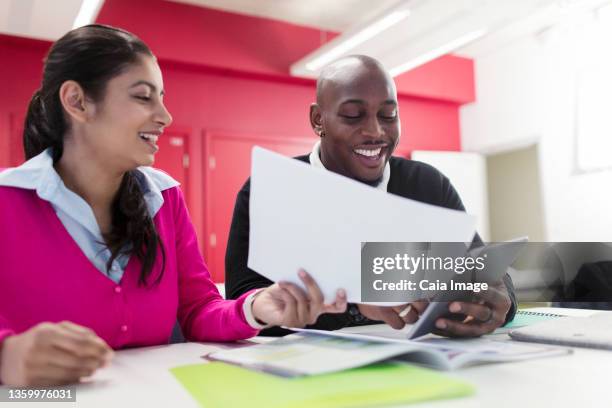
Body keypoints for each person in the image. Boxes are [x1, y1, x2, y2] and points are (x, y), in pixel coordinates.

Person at [0, 24, 347, 386]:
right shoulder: (7, 201)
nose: (164, 116)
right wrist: (7, 357)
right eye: (143, 96)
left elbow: (198, 310)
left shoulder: (164, 198)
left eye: (161, 97)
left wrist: (257, 308)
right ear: (77, 101)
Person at [225, 55, 517, 336]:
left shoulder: (428, 184)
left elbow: (481, 264)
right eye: (353, 115)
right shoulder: (270, 189)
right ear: (318, 120)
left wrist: (498, 297)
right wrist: (359, 304)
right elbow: (243, 303)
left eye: (388, 115)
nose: (375, 131)